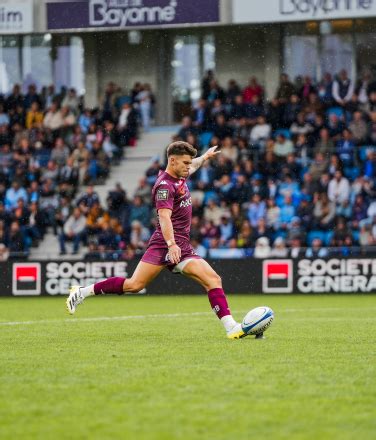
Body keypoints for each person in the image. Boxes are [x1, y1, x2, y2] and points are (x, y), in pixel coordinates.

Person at [66, 141, 253, 340]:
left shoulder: (180, 174)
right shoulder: (164, 186)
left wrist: (205, 157)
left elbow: (194, 165)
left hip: (182, 246)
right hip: (164, 243)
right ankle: (82, 292)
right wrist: (171, 245)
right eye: (185, 163)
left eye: (189, 163)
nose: (189, 167)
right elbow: (163, 217)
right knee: (134, 285)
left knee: (213, 279)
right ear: (172, 161)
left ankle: (231, 327)